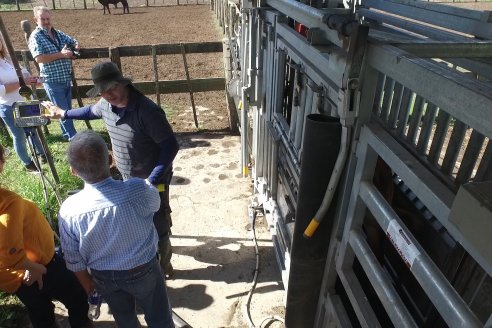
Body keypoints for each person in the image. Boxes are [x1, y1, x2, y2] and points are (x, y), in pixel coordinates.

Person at [45, 61, 179, 278]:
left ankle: (163, 267)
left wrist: (152, 180)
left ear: (122, 83)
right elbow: (90, 111)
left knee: (158, 221)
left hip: (152, 178)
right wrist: (64, 114)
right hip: (127, 175)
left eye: (112, 88)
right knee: (138, 219)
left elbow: (170, 146)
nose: (109, 94)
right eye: (103, 91)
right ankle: (150, 250)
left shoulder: (147, 112)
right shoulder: (106, 105)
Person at [58, 130, 175, 328]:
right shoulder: (138, 189)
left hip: (104, 277)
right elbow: (155, 205)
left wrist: (88, 284)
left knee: (124, 318)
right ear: (111, 159)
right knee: (160, 317)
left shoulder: (69, 210)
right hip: (144, 268)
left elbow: (73, 258)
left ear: (73, 171)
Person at [0, 144, 91, 328]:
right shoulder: (8, 202)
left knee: (40, 312)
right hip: (35, 269)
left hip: (14, 275)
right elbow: (10, 252)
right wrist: (35, 267)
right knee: (76, 295)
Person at [28, 6, 78, 141]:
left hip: (65, 78)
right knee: (62, 110)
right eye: (42, 19)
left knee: (66, 108)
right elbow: (39, 58)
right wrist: (61, 54)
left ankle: (67, 134)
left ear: (51, 18)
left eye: (47, 18)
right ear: (35, 20)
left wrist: (75, 48)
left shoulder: (58, 33)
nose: (46, 22)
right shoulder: (35, 36)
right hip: (51, 80)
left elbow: (74, 41)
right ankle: (73, 137)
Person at [0, 38, 45, 172]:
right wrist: (23, 82)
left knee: (34, 130)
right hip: (9, 106)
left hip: (25, 102)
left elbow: (25, 74)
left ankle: (43, 154)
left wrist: (36, 80)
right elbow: (1, 90)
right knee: (19, 136)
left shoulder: (8, 61)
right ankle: (27, 163)